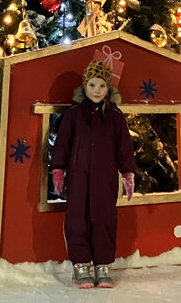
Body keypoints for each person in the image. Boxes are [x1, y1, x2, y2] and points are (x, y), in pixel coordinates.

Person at [50, 58, 136, 289]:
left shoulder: (115, 117)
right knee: (77, 219)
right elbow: (62, 144)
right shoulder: (75, 114)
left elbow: (124, 148)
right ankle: (81, 265)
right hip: (78, 178)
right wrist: (58, 169)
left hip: (105, 179)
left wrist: (128, 173)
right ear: (84, 86)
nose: (97, 90)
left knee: (104, 219)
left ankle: (103, 265)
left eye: (101, 86)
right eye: (92, 85)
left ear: (108, 88)